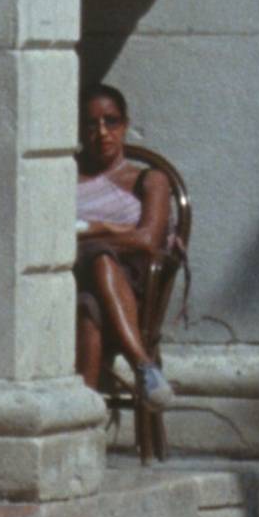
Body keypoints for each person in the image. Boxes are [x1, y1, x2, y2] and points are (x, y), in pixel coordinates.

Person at [72, 84, 176, 412]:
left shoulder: (148, 179)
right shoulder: (69, 176)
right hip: (74, 279)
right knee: (88, 302)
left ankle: (88, 413)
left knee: (99, 273)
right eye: (91, 124)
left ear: (125, 124)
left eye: (111, 121)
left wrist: (94, 229)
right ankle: (142, 367)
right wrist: (116, 230)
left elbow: (147, 241)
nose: (102, 132)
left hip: (132, 285)